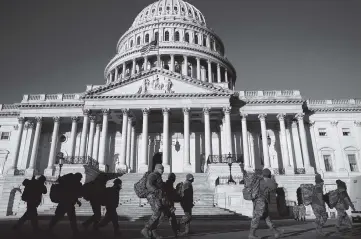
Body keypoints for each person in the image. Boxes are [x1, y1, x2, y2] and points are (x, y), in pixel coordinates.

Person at [241, 164, 283, 239]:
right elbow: (274, 187)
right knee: (256, 217)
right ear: (269, 174)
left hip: (257, 200)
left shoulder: (258, 180)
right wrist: (273, 179)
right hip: (261, 201)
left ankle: (275, 232)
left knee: (267, 217)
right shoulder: (267, 180)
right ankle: (251, 234)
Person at [141, 164, 165, 239]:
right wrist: (156, 191)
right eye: (161, 169)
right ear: (157, 169)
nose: (163, 171)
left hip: (157, 196)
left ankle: (154, 231)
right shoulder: (153, 175)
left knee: (161, 214)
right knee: (157, 212)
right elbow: (148, 184)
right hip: (153, 196)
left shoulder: (157, 176)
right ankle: (146, 229)